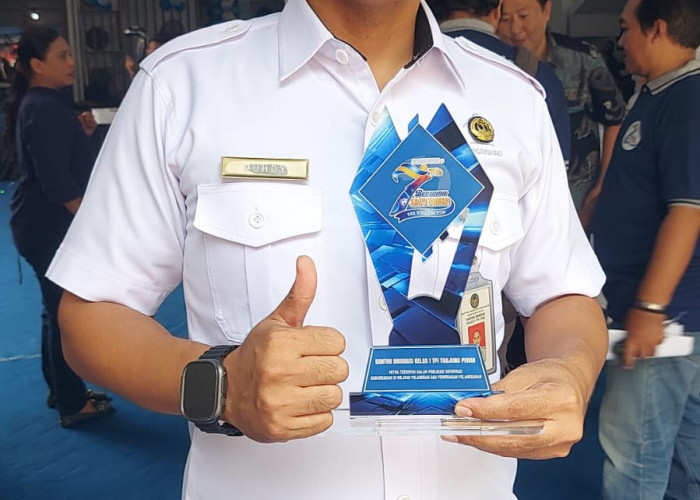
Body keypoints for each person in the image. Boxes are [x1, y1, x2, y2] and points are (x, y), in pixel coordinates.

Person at [48, 1, 607, 498]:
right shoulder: (183, 85)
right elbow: (89, 317)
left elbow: (564, 295)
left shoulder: (511, 99)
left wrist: (571, 371)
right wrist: (223, 384)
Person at [592, 0, 700, 498]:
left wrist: (651, 307)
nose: (620, 42)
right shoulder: (656, 94)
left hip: (666, 321)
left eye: (625, 29)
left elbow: (688, 211)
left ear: (657, 29)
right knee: (683, 453)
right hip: (668, 316)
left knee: (634, 455)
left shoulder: (687, 100)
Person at [3, 27, 113, 428]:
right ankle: (71, 402)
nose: (72, 62)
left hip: (43, 225)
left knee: (55, 312)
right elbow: (58, 184)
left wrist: (83, 134)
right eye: (62, 56)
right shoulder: (43, 107)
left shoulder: (47, 103)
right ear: (37, 64)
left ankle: (62, 391)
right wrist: (94, 225)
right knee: (64, 314)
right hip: (48, 229)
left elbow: (62, 161)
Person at [498, 0, 627, 230]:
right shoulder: (490, 63)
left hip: (575, 198)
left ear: (546, 11)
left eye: (524, 16)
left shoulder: (583, 59)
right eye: (505, 19)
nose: (515, 29)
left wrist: (601, 186)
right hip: (512, 202)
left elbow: (615, 119)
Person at [428, 0, 571, 163]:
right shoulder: (539, 77)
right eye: (506, 18)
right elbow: (559, 166)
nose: (515, 28)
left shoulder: (413, 65)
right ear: (497, 11)